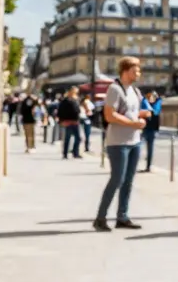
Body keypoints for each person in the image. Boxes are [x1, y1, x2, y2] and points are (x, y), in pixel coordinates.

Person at [93, 57, 151, 232]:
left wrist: (144, 114)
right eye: (136, 70)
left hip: (134, 141)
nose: (138, 73)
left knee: (128, 181)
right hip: (118, 142)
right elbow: (109, 115)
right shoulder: (114, 89)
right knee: (117, 179)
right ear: (125, 71)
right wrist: (133, 123)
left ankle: (122, 217)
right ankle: (100, 218)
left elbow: (131, 112)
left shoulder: (135, 90)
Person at [140, 91, 162, 172]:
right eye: (148, 97)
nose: (150, 98)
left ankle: (148, 166)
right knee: (138, 146)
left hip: (152, 130)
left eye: (152, 96)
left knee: (150, 149)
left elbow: (155, 112)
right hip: (145, 129)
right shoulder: (144, 104)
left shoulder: (157, 104)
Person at [58, 86, 83, 159]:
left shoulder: (76, 100)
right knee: (67, 138)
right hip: (68, 121)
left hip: (75, 121)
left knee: (78, 138)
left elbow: (77, 110)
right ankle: (65, 153)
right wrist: (61, 120)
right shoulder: (65, 100)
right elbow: (60, 111)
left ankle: (75, 152)